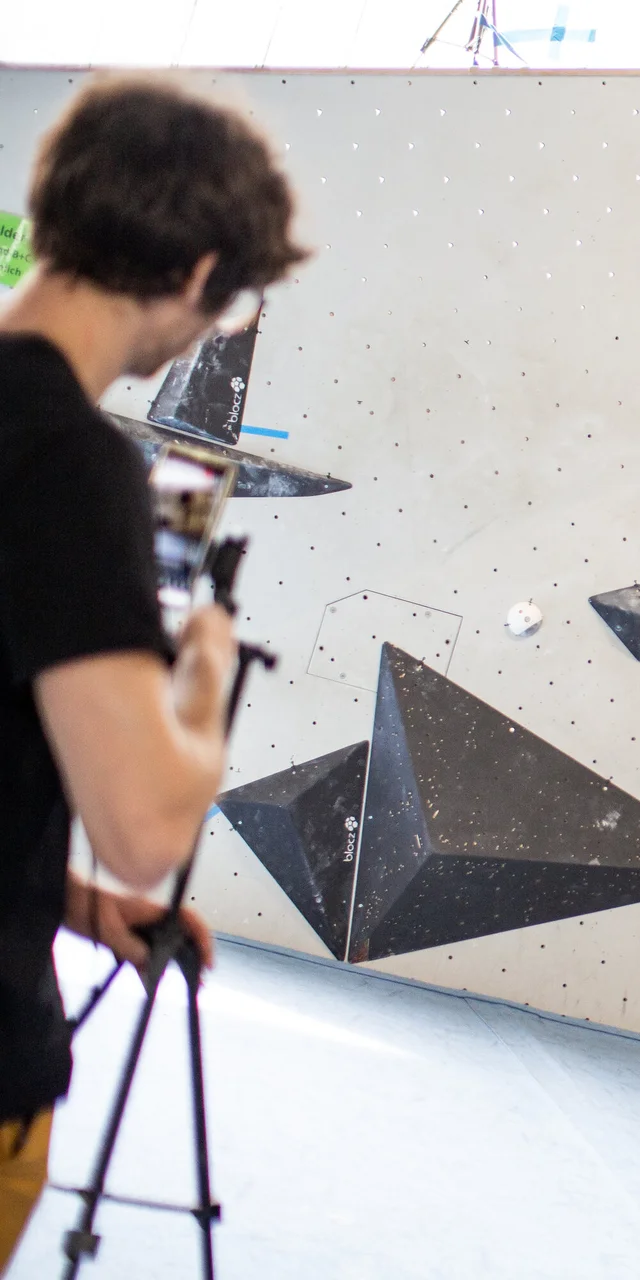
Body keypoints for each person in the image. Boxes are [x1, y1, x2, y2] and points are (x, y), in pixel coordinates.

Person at [0, 76, 306, 1267]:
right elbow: (139, 821)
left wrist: (66, 902)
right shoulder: (71, 464)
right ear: (196, 273)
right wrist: (203, 668)